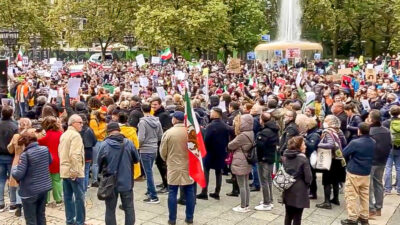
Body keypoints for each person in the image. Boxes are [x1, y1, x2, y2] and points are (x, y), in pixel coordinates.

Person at [97, 122, 139, 225]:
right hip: (126, 181)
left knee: (110, 209)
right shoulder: (128, 143)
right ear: (119, 131)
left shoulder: (104, 145)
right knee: (129, 208)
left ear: (108, 132)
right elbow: (136, 159)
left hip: (110, 182)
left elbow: (99, 163)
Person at [160, 111, 196, 225]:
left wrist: (167, 159)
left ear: (175, 119)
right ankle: (189, 217)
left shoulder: (168, 133)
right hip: (189, 165)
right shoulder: (191, 132)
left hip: (173, 165)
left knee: (172, 191)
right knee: (190, 190)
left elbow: (162, 151)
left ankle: (172, 219)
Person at [11, 131, 52, 225]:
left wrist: (14, 169)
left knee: (30, 219)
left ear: (25, 143)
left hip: (30, 191)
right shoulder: (45, 149)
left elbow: (18, 175)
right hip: (44, 188)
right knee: (41, 215)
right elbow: (50, 161)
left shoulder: (25, 155)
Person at [341, 123, 375, 225]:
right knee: (364, 195)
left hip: (354, 171)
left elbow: (344, 153)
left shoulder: (355, 142)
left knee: (351, 195)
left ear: (359, 130)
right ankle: (364, 217)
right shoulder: (373, 142)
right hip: (366, 172)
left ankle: (352, 218)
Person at [197, 107, 232, 200]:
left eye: (212, 112)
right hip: (221, 152)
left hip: (210, 152)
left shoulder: (211, 126)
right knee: (218, 172)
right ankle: (217, 192)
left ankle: (204, 191)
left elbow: (206, 140)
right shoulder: (225, 125)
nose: (210, 113)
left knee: (206, 171)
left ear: (216, 114)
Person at [58, 114, 86, 225]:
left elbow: (60, 151)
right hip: (74, 172)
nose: (82, 125)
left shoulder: (64, 134)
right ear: (73, 123)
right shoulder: (75, 136)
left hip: (65, 171)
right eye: (80, 123)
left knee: (68, 197)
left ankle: (70, 221)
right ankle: (79, 222)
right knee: (79, 198)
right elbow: (74, 155)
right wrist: (75, 171)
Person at [7, 118, 37, 216]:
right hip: (30, 160)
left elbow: (10, 149)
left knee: (18, 185)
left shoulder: (16, 136)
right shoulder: (32, 133)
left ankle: (18, 205)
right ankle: (28, 204)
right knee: (29, 184)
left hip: (17, 160)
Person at [316, 115, 347, 209]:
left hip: (330, 159)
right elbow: (344, 142)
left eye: (326, 120)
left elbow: (330, 144)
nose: (324, 122)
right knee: (336, 180)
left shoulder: (328, 132)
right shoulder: (339, 130)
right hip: (339, 158)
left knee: (327, 181)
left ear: (330, 123)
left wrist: (319, 144)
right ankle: (336, 199)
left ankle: (327, 202)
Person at [282, 136, 312, 225]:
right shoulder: (303, 159)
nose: (305, 146)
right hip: (300, 191)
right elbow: (308, 178)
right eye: (303, 144)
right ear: (299, 146)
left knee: (288, 215)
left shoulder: (285, 156)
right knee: (297, 217)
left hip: (288, 188)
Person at [367, 110, 391, 217]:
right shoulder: (386, 130)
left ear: (371, 119)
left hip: (371, 160)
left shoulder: (370, 131)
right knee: (378, 183)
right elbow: (390, 144)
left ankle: (371, 209)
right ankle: (378, 208)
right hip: (382, 160)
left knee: (369, 185)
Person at [228, 114, 254, 213]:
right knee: (246, 184)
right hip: (246, 159)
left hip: (240, 160)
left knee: (241, 185)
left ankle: (243, 206)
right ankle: (246, 204)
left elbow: (231, 145)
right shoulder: (251, 132)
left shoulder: (242, 135)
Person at [138, 103, 163, 203]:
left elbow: (141, 138)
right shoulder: (157, 121)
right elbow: (160, 135)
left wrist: (138, 146)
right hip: (154, 148)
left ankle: (153, 196)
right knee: (149, 170)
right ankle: (149, 191)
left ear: (142, 110)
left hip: (145, 149)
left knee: (148, 173)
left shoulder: (142, 122)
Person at [254, 112, 279, 211]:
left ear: (262, 120)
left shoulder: (264, 132)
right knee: (268, 179)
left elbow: (260, 146)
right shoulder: (274, 129)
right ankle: (269, 199)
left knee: (264, 180)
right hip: (270, 157)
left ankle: (266, 203)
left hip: (264, 158)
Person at [38, 116, 63, 204]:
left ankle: (46, 200)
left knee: (46, 181)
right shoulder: (60, 134)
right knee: (57, 180)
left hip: (46, 161)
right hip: (58, 160)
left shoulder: (45, 136)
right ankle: (58, 199)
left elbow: (39, 142)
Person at [151, 97, 172, 193]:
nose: (153, 106)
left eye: (155, 104)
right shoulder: (156, 114)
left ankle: (167, 184)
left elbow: (166, 129)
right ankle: (164, 182)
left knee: (162, 164)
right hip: (157, 142)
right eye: (152, 104)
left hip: (162, 143)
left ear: (160, 104)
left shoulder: (164, 115)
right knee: (159, 163)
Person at [0, 106, 18, 212]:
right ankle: (13, 203)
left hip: (0, 155)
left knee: (1, 180)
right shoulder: (14, 126)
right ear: (11, 114)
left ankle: (1, 203)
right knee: (12, 180)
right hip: (11, 156)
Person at [89, 98, 107, 187]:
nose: (105, 115)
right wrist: (105, 129)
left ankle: (97, 177)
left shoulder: (102, 121)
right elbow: (95, 134)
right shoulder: (93, 121)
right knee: (95, 162)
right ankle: (94, 180)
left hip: (102, 141)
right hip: (96, 142)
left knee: (99, 162)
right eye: (103, 114)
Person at [78, 114, 97, 192]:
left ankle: (80, 188)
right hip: (88, 152)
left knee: (80, 171)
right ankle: (84, 188)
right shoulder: (89, 130)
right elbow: (94, 141)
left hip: (79, 152)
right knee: (86, 171)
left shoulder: (76, 131)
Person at [384, 106, 400, 195]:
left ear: (390, 113)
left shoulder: (386, 122)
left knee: (388, 168)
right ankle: (399, 189)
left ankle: (387, 189)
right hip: (399, 147)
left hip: (389, 147)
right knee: (399, 168)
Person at [304, 118, 321, 199]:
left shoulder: (314, 134)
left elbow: (312, 146)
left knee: (311, 175)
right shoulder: (310, 133)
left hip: (311, 157)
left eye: (306, 125)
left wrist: (304, 140)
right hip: (309, 156)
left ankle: (313, 192)